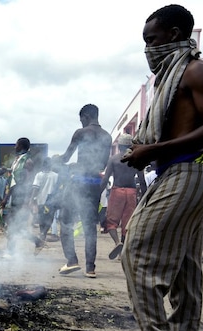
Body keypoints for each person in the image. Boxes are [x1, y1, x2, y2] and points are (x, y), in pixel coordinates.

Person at [120, 5, 203, 331]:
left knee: (135, 253)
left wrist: (154, 149)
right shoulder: (168, 78)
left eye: (151, 40)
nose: (148, 50)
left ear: (175, 35)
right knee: (185, 268)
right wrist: (145, 150)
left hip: (187, 173)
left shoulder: (196, 71)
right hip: (176, 173)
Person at [56, 104, 111, 278]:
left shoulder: (81, 133)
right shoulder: (107, 137)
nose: (81, 123)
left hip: (78, 183)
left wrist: (58, 160)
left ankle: (72, 260)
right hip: (94, 184)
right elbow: (101, 165)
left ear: (86, 116)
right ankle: (90, 268)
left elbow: (65, 157)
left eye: (81, 119)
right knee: (89, 228)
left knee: (65, 222)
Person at [99, 134, 146, 260]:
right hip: (131, 192)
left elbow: (105, 179)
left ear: (119, 146)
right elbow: (141, 180)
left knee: (111, 222)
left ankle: (117, 243)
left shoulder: (113, 159)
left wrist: (98, 194)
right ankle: (122, 252)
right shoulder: (136, 159)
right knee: (127, 223)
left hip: (117, 191)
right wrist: (146, 197)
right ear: (131, 146)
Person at [0, 137, 38, 256]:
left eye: (16, 145)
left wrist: (28, 200)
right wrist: (6, 198)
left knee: (13, 224)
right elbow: (13, 181)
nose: (14, 147)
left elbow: (29, 182)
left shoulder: (27, 162)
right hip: (15, 194)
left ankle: (10, 252)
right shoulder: (17, 160)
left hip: (21, 196)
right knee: (15, 225)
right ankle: (36, 241)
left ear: (21, 146)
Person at [29, 157, 59, 245]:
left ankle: (42, 234)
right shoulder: (56, 176)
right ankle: (43, 234)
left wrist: (32, 199)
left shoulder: (39, 175)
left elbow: (35, 188)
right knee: (49, 218)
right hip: (51, 201)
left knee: (41, 219)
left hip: (41, 201)